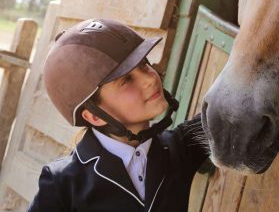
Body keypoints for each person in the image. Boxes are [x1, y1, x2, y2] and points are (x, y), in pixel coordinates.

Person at [27, 18, 209, 212]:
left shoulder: (181, 146)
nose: (149, 78)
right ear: (95, 116)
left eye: (144, 64)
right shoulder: (62, 183)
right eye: (126, 79)